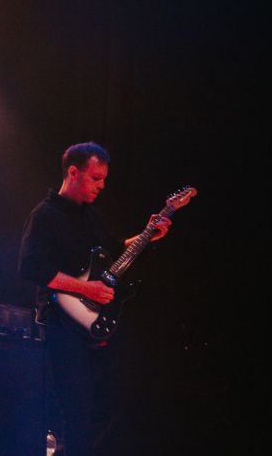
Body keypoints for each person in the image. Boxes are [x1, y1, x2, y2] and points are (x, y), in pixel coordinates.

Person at [18, 142, 171, 456]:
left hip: (90, 325)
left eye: (104, 179)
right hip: (60, 325)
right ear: (73, 173)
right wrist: (86, 289)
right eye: (96, 178)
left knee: (104, 405)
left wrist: (146, 235)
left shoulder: (89, 217)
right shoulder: (45, 215)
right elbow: (31, 267)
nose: (101, 186)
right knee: (74, 411)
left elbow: (114, 250)